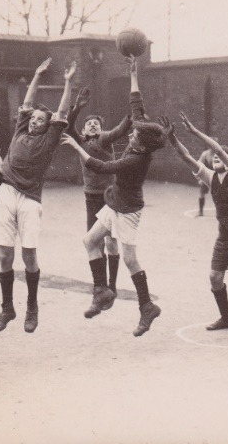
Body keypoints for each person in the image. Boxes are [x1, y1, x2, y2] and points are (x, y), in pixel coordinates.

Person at [60, 56, 167, 337]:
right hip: (113, 203)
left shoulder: (134, 161)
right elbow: (137, 108)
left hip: (127, 210)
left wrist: (76, 145)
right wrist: (133, 75)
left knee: (131, 260)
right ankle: (102, 291)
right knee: (89, 240)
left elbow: (101, 166)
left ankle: (147, 306)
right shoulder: (142, 141)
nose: (130, 135)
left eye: (134, 136)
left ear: (142, 145)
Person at [0, 58, 76, 333]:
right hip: (6, 193)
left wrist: (68, 82)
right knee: (4, 256)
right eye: (34, 118)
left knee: (28, 257)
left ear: (47, 125)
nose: (35, 121)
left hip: (29, 200)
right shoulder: (19, 129)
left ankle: (32, 308)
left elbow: (62, 110)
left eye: (41, 120)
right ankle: (7, 309)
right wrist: (36, 74)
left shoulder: (48, 139)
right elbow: (27, 103)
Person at [160, 113, 228, 335]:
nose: (218, 156)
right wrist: (172, 138)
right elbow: (187, 156)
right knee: (215, 277)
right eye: (217, 156)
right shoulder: (209, 176)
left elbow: (216, 149)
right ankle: (225, 319)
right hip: (226, 229)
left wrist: (195, 131)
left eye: (223, 155)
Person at [65, 87, 133, 297]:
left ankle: (111, 285)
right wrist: (77, 108)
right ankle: (101, 285)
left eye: (96, 123)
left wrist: (131, 115)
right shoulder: (82, 141)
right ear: (83, 132)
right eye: (88, 123)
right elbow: (68, 127)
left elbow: (120, 129)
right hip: (90, 198)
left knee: (111, 242)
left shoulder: (104, 139)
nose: (92, 125)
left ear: (102, 130)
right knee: (93, 241)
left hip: (109, 197)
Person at [196, 142, 217, 216]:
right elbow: (199, 165)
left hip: (216, 175)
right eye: (211, 145)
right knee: (202, 192)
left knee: (217, 194)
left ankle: (219, 210)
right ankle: (200, 211)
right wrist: (200, 178)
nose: (212, 147)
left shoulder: (219, 154)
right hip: (206, 175)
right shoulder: (205, 154)